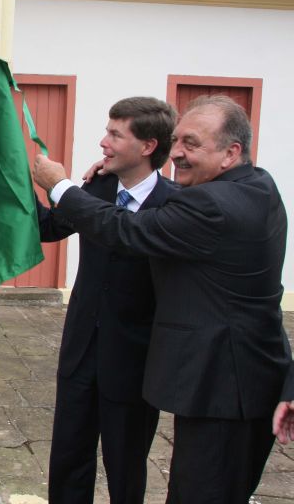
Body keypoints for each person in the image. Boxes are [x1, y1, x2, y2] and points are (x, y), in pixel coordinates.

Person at [33, 95, 292, 503]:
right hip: (227, 379)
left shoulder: (205, 203)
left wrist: (60, 186)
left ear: (231, 153)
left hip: (220, 387)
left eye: (192, 143)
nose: (177, 153)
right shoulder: (258, 185)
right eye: (177, 141)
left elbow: (128, 231)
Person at [37, 97, 176, 503]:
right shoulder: (97, 186)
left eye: (115, 134)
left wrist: (60, 186)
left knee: (126, 466)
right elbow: (50, 228)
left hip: (134, 361)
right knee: (68, 458)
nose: (103, 142)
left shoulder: (175, 204)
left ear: (147, 146)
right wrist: (18, 182)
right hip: (81, 350)